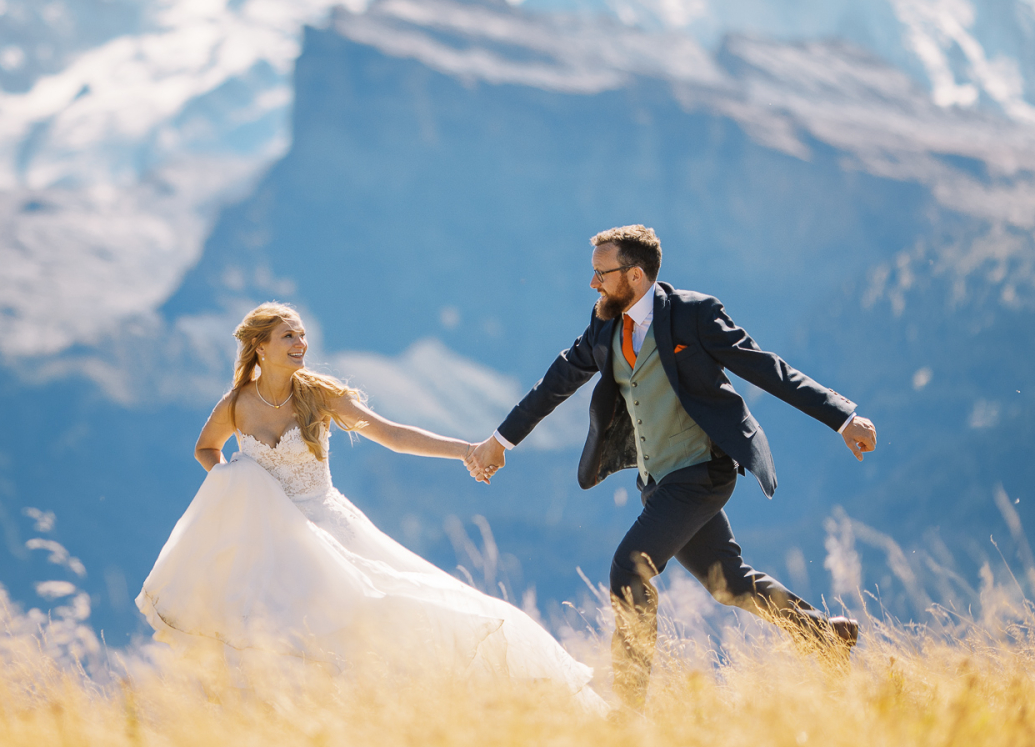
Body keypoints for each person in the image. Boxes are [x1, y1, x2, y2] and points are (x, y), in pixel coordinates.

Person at [465, 224, 878, 712]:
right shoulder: (603, 326)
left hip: (703, 472)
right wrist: (500, 440)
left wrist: (843, 417)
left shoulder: (693, 316)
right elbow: (554, 383)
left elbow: (766, 367)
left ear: (635, 275)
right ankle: (826, 635)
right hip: (657, 481)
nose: (593, 284)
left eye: (601, 273)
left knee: (628, 567)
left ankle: (628, 710)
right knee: (729, 581)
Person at [137, 302, 605, 709]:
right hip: (267, 541)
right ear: (260, 346)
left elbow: (392, 435)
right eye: (288, 335)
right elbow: (206, 448)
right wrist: (234, 486)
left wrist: (465, 449)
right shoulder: (237, 402)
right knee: (270, 635)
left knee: (373, 609)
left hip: (326, 525)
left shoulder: (318, 395)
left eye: (301, 333)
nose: (301, 342)